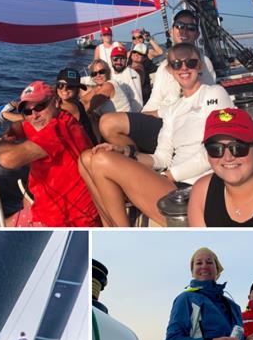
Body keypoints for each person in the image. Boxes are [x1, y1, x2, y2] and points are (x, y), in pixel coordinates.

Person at [80, 43, 232, 226]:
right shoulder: (172, 109)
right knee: (88, 157)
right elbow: (161, 158)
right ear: (169, 70)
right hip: (173, 184)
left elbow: (217, 151)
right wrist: (124, 152)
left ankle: (122, 235)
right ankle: (111, 229)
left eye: (190, 63)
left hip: (196, 186)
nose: (183, 68)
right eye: (177, 64)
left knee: (101, 160)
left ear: (199, 65)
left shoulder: (214, 94)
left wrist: (170, 175)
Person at [99, 10, 216, 153]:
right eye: (179, 25)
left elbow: (200, 103)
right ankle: (135, 157)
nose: (184, 30)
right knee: (103, 131)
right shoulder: (163, 67)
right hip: (160, 123)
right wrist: (142, 116)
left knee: (108, 123)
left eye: (190, 27)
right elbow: (155, 99)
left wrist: (155, 114)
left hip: (180, 125)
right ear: (171, 31)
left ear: (197, 34)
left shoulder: (202, 63)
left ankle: (136, 158)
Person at [0, 81, 99, 227]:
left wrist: (2, 142)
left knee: (1, 228)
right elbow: (21, 124)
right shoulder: (50, 118)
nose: (34, 115)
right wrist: (11, 134)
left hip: (71, 220)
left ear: (55, 102)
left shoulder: (58, 129)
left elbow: (7, 159)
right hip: (48, 207)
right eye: (27, 111)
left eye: (40, 106)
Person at [110, 45, 143, 112]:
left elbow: (138, 103)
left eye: (122, 59)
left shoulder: (132, 74)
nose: (119, 62)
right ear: (111, 59)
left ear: (126, 60)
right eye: (115, 59)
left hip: (124, 113)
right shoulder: (108, 72)